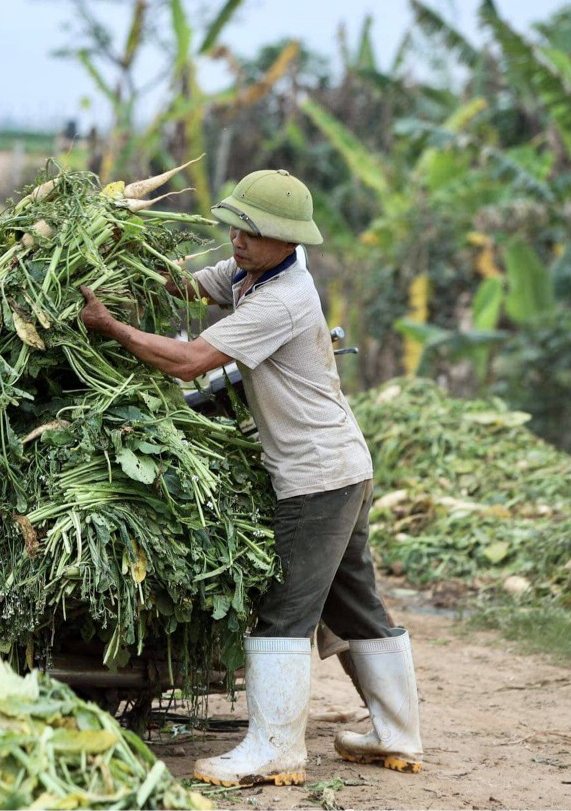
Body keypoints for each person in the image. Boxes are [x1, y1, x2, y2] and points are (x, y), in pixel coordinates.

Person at [78, 169, 423, 788]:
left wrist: (112, 328)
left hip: (316, 477)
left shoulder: (284, 298)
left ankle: (274, 749)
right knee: (356, 604)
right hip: (343, 466)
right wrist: (113, 248)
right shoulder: (249, 275)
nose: (237, 238)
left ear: (288, 241)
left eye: (253, 231)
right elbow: (182, 284)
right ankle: (396, 733)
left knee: (286, 609)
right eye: (236, 225)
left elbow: (189, 363)